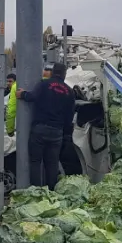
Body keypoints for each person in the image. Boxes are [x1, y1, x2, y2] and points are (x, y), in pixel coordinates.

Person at [16, 62, 75, 190]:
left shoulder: (44, 84)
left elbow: (32, 96)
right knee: (52, 164)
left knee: (36, 162)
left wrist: (22, 94)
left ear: (53, 72)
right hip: (57, 132)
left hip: (40, 129)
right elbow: (69, 117)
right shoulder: (69, 92)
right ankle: (51, 192)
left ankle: (36, 191)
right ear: (64, 74)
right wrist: (65, 134)